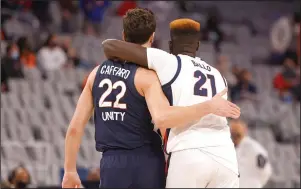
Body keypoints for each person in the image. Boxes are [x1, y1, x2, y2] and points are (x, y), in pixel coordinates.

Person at [63, 10, 240, 188]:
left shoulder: (95, 74)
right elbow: (163, 119)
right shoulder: (150, 76)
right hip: (151, 160)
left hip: (112, 162)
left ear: (123, 34)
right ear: (152, 37)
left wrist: (70, 171)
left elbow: (74, 128)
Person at [230, 120, 272, 188]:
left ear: (244, 130)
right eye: (233, 134)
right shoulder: (230, 147)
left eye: (237, 134)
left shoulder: (253, 148)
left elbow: (266, 171)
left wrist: (256, 183)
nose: (235, 136)